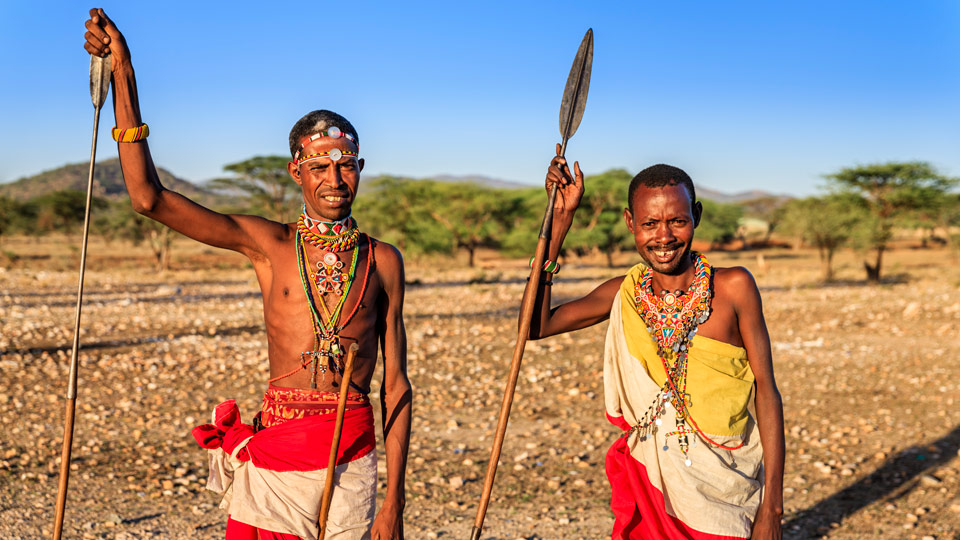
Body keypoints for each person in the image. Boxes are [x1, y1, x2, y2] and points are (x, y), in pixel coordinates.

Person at [83, 9, 410, 540]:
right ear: (296, 172)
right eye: (320, 166)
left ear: (360, 167)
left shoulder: (383, 259)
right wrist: (125, 72)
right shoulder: (270, 244)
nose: (335, 179)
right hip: (278, 456)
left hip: (354, 459)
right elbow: (149, 198)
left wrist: (394, 501)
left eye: (346, 164)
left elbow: (395, 386)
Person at [526, 146, 784, 539]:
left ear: (696, 216)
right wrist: (560, 220)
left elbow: (766, 389)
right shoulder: (624, 292)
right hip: (651, 480)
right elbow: (535, 325)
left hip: (723, 486)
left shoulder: (733, 288)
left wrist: (773, 509)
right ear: (631, 223)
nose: (663, 237)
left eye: (677, 221)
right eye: (650, 224)